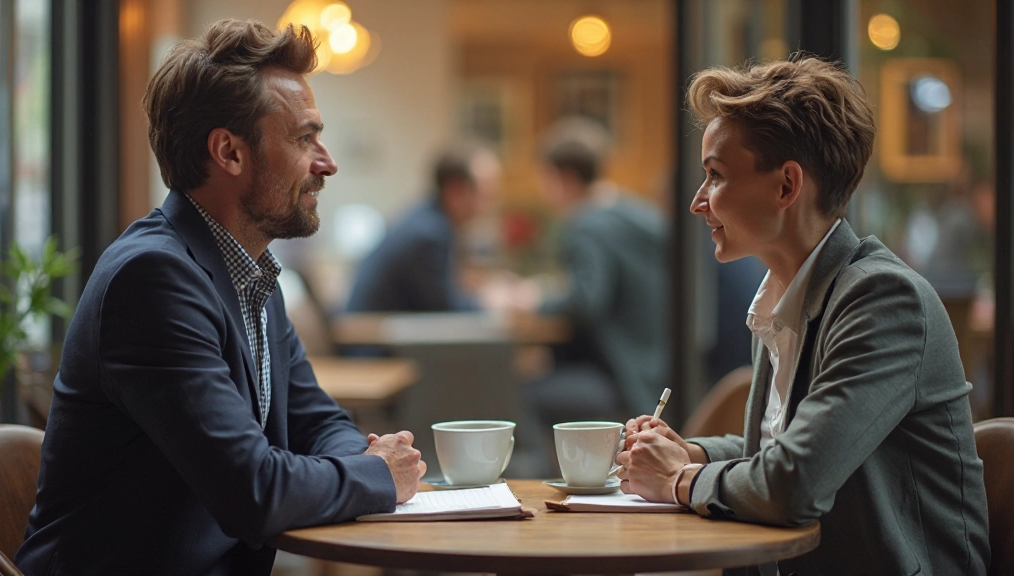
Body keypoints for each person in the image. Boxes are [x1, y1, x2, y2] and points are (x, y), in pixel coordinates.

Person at [15, 20, 424, 576]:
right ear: (229, 152)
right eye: (303, 139)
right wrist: (377, 473)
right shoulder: (152, 279)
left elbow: (316, 421)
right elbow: (254, 490)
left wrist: (368, 460)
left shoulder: (252, 273)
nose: (327, 163)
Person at [615, 55, 989, 575]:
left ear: (787, 186)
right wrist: (690, 453)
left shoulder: (883, 298)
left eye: (715, 175)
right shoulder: (785, 297)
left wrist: (678, 479)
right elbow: (781, 443)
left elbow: (794, 483)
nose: (699, 201)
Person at [505, 117, 667, 475]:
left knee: (518, 391)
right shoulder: (638, 213)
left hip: (621, 377)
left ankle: (539, 487)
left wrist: (534, 301)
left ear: (564, 177)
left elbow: (586, 301)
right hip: (658, 369)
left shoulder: (587, 223)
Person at [344, 144, 500, 313]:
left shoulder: (427, 219)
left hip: (382, 324)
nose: (486, 206)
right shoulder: (428, 235)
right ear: (454, 190)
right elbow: (446, 309)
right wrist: (489, 302)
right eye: (483, 193)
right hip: (372, 328)